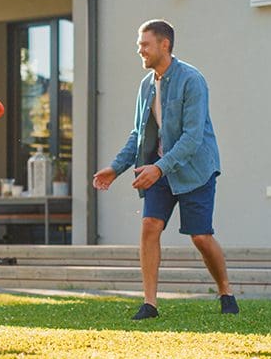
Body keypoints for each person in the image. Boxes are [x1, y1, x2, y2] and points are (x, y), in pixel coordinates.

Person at [92, 19, 239, 320]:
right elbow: (138, 135)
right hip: (158, 169)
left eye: (144, 44)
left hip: (195, 168)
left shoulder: (192, 80)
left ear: (164, 45)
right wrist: (115, 168)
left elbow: (192, 137)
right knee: (149, 226)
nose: (139, 50)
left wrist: (159, 168)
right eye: (139, 45)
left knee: (200, 237)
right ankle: (150, 304)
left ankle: (225, 290)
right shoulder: (146, 86)